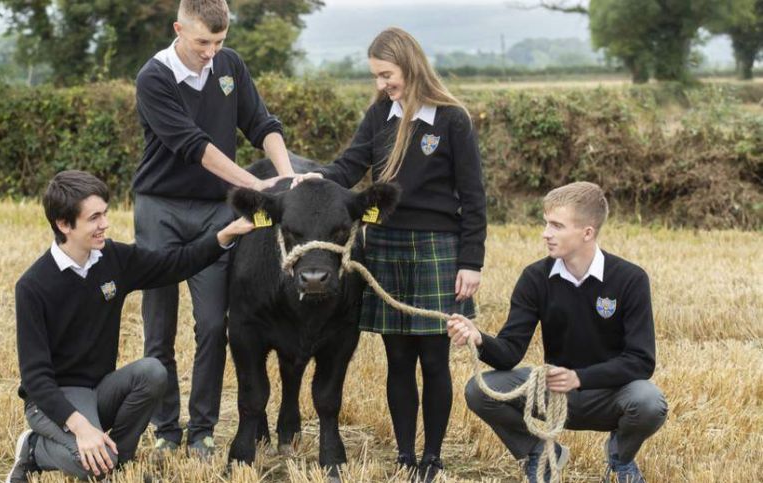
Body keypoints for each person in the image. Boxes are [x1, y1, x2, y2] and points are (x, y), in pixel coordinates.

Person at [292, 27, 486, 482]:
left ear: (409, 64)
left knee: (435, 360)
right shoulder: (380, 114)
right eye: (377, 76)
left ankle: (432, 459)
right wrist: (311, 179)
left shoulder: (452, 119)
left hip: (439, 248)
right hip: (383, 246)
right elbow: (346, 167)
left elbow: (474, 197)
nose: (381, 84)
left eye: (386, 74)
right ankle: (404, 456)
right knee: (398, 358)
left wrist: (471, 261)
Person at [6, 170, 254, 482]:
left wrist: (225, 235)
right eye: (94, 218)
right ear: (64, 224)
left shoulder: (114, 259)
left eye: (105, 214)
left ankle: (116, 463)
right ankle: (34, 450)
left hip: (100, 391)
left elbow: (176, 263)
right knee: (89, 463)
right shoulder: (32, 286)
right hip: (52, 401)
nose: (105, 224)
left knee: (152, 372)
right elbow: (36, 378)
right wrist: (80, 426)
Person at [133, 0, 295, 458]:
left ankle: (202, 430)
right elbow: (194, 146)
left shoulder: (230, 66)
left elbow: (261, 123)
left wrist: (285, 174)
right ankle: (166, 430)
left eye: (219, 42)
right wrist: (258, 183)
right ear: (178, 29)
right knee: (159, 327)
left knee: (211, 324)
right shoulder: (154, 78)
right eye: (203, 41)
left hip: (213, 211)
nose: (211, 52)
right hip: (158, 208)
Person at [447, 181, 668, 483]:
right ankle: (538, 453)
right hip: (553, 395)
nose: (545, 233)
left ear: (587, 232)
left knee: (649, 402)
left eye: (556, 225)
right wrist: (479, 339)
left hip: (610, 395)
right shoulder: (535, 277)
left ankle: (620, 459)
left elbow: (641, 361)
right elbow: (510, 352)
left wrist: (580, 378)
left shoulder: (630, 279)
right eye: (546, 223)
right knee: (478, 390)